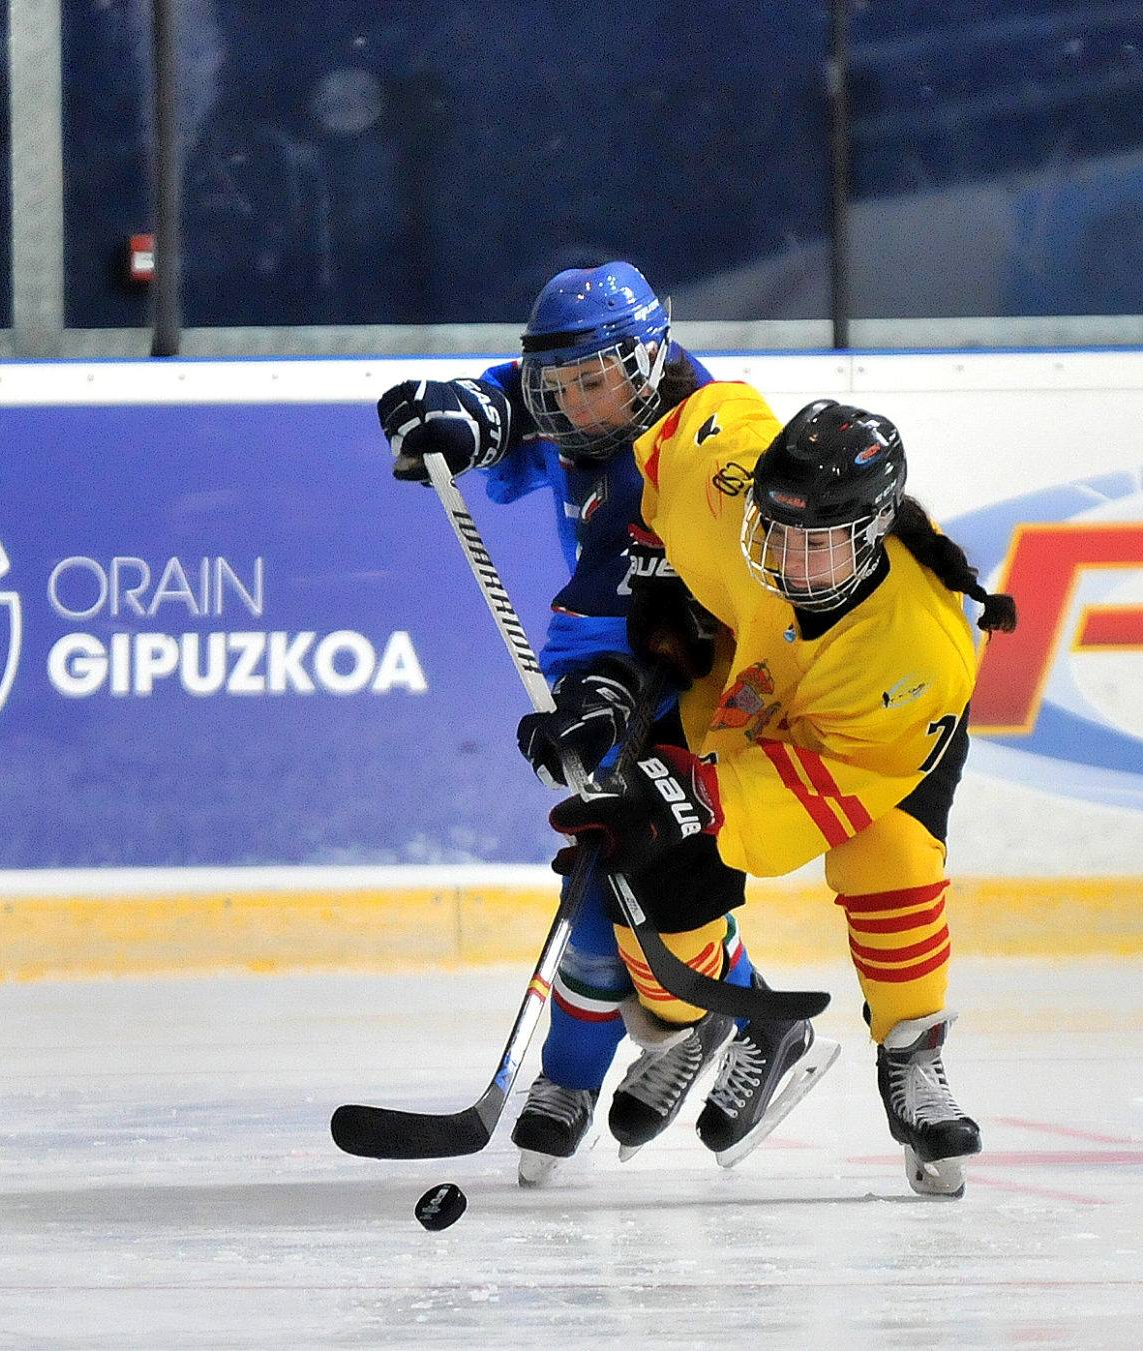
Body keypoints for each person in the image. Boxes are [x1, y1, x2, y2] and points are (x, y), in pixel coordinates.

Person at [377, 262, 836, 1187]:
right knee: (607, 867)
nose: (580, 407)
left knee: (637, 871)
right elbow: (517, 405)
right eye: (565, 386)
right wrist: (461, 415)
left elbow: (607, 613)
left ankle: (629, 1055)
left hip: (713, 675)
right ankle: (715, 1022)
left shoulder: (682, 449)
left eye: (596, 383)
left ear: (648, 361)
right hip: (631, 653)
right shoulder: (593, 397)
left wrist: (594, 696)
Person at [546, 394, 1017, 1197]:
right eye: (778, 529)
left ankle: (912, 1055)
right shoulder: (730, 498)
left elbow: (824, 793)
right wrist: (651, 570)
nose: (788, 558)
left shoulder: (920, 648)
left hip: (871, 744)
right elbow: (685, 432)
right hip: (749, 680)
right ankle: (719, 1020)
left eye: (818, 542)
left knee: (889, 859)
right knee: (651, 872)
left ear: (871, 534)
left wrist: (689, 796)